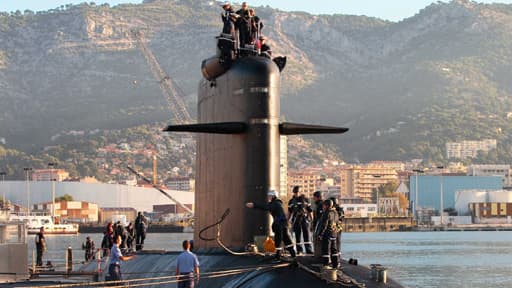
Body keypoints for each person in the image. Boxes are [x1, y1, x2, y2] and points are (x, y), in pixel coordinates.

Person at [246, 190, 296, 259]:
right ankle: (293, 255)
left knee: (279, 239)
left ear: (273, 196)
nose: (268, 197)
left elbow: (266, 207)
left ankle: (278, 256)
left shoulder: (275, 203)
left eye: (269, 196)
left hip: (279, 224)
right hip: (283, 224)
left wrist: (254, 205)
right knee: (286, 239)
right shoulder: (277, 203)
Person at [288, 186, 313, 255]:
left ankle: (308, 250)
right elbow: (290, 212)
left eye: (297, 192)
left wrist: (312, 220)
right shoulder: (291, 201)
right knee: (297, 235)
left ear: (300, 192)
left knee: (306, 234)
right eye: (295, 192)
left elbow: (309, 210)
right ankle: (299, 250)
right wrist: (288, 221)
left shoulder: (306, 200)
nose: (296, 194)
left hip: (305, 219)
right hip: (296, 219)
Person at [318, 199, 341, 269]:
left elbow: (324, 225)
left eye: (324, 205)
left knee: (326, 249)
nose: (323, 207)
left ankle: (326, 264)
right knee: (334, 249)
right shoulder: (336, 213)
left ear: (326, 205)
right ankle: (335, 264)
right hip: (334, 233)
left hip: (327, 234)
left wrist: (320, 234)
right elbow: (337, 224)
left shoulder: (326, 213)